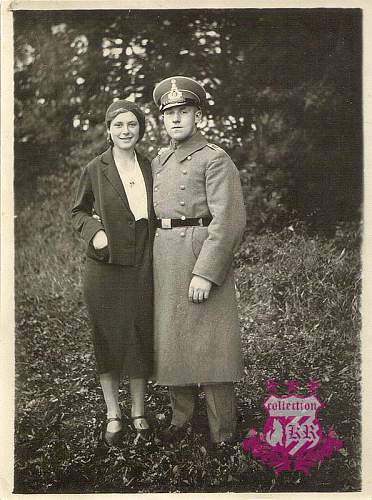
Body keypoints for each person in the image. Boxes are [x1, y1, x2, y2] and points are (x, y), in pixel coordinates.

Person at [151, 76, 246, 449]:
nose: (176, 119)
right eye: (169, 113)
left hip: (199, 253)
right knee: (173, 339)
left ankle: (223, 432)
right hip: (164, 257)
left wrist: (206, 272)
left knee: (213, 343)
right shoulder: (159, 159)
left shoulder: (214, 158)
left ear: (197, 115)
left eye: (184, 111)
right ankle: (181, 419)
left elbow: (229, 220)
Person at [71, 100, 154, 447]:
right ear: (109, 130)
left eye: (131, 125)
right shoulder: (95, 168)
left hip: (142, 264)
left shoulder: (150, 165)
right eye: (118, 125)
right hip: (104, 268)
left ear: (140, 130)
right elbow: (77, 212)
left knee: (138, 336)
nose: (125, 131)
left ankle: (138, 412)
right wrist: (96, 232)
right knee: (107, 339)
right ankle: (112, 414)